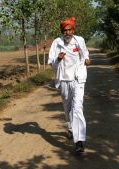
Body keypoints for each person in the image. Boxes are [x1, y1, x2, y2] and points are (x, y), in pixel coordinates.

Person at [48, 17, 91, 153]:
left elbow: (85, 53)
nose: (67, 32)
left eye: (69, 30)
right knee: (67, 106)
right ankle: (70, 127)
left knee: (77, 107)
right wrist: (58, 59)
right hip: (64, 79)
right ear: (62, 31)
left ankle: (79, 141)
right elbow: (51, 63)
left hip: (78, 79)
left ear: (73, 30)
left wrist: (87, 60)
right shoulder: (57, 43)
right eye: (64, 30)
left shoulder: (79, 40)